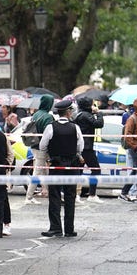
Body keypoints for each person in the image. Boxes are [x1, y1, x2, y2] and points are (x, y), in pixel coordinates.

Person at [39, 100, 84, 238]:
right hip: (72, 165)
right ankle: (69, 229)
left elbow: (42, 146)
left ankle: (55, 228)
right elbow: (80, 147)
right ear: (69, 112)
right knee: (70, 196)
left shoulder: (50, 127)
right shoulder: (75, 127)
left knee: (55, 196)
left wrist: (51, 154)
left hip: (56, 165)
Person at [74, 97, 104, 203]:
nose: (93, 106)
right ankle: (91, 195)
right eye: (92, 104)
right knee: (96, 170)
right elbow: (99, 124)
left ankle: (76, 195)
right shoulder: (85, 115)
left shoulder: (80, 114)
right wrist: (98, 113)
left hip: (81, 147)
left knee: (79, 170)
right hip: (86, 148)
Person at [25, 95, 54, 204]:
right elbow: (49, 133)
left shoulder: (36, 114)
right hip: (42, 147)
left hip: (34, 145)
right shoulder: (48, 117)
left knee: (43, 170)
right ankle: (28, 197)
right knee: (37, 171)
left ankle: (46, 191)